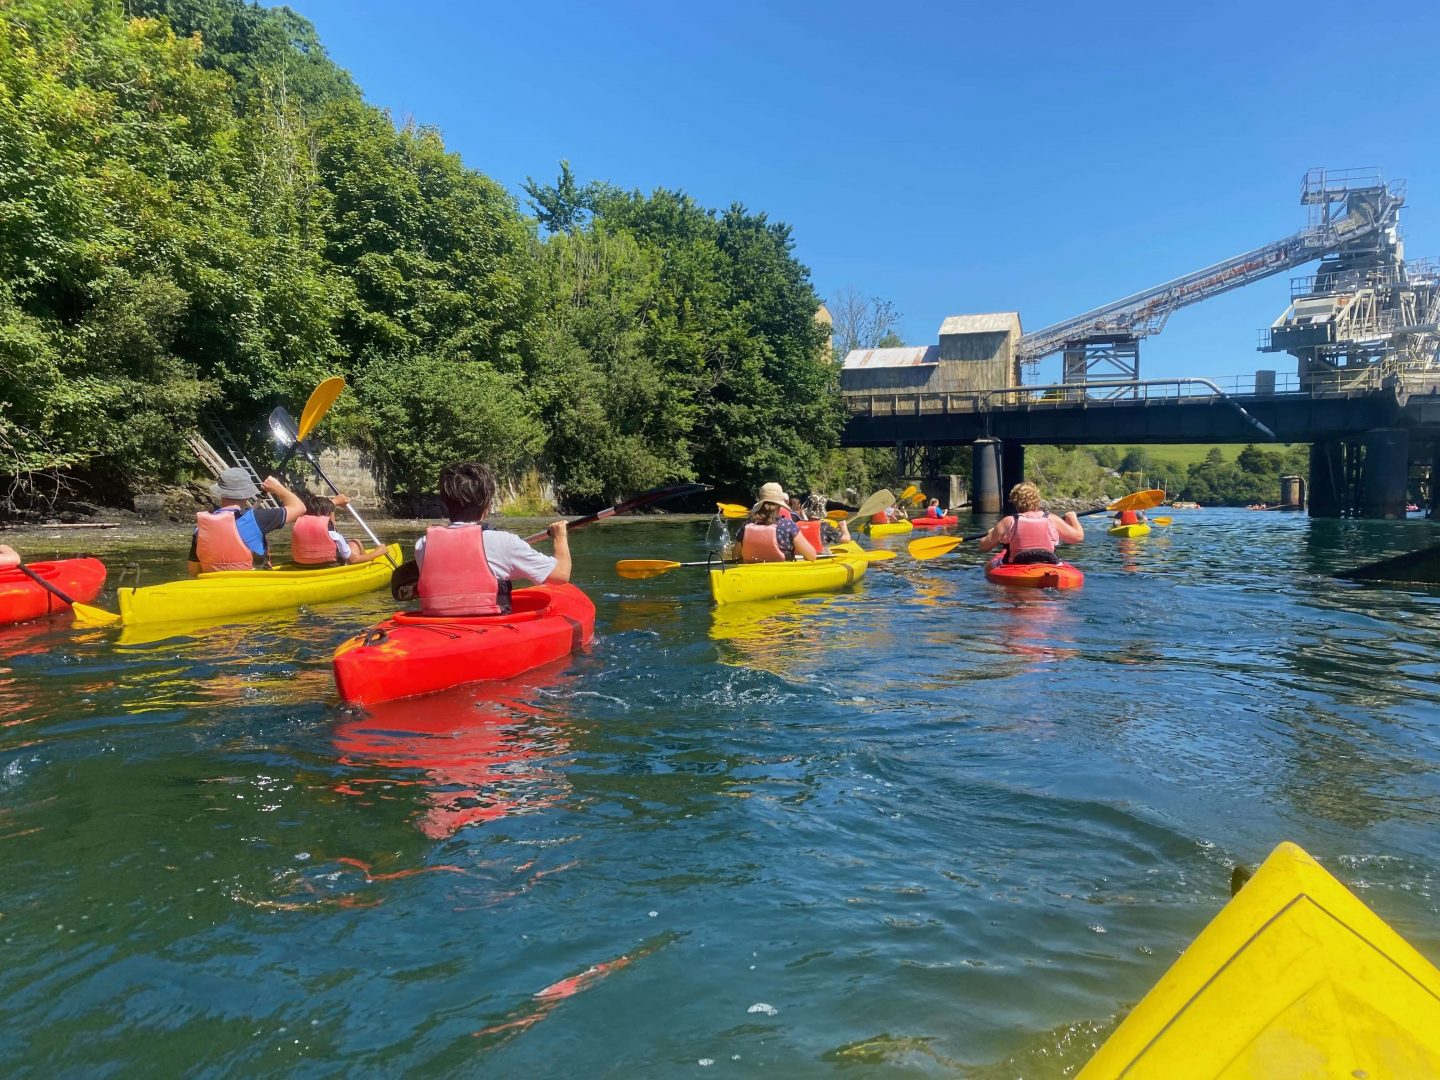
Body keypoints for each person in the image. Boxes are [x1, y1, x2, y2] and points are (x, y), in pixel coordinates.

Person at [414, 461, 570, 616]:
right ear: (487, 506)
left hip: (439, 627)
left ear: (445, 504)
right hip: (490, 627)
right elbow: (561, 575)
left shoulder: (423, 545)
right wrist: (560, 537)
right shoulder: (504, 543)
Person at [189, 468, 305, 575]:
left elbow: (194, 571)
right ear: (246, 495)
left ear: (220, 492)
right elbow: (300, 508)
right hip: (252, 584)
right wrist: (277, 487)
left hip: (215, 588)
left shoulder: (201, 528)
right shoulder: (258, 518)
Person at [978, 481, 1084, 565]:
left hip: (1017, 565)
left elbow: (984, 547)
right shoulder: (1051, 519)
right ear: (1037, 499)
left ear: (1014, 500)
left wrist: (991, 534)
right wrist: (1073, 518)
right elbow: (1078, 537)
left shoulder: (1008, 521)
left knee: (990, 566)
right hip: (1048, 563)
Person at [291, 493, 389, 567]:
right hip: (328, 568)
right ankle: (366, 565)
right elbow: (353, 560)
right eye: (332, 513)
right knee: (356, 542)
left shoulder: (298, 527)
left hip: (302, 565)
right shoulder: (334, 535)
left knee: (352, 544)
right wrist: (377, 552)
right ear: (328, 516)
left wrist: (335, 502)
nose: (334, 517)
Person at [739, 483, 817, 563]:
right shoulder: (788, 525)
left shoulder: (746, 526)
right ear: (779, 506)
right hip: (783, 572)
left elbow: (735, 556)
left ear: (760, 505)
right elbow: (812, 556)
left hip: (752, 572)